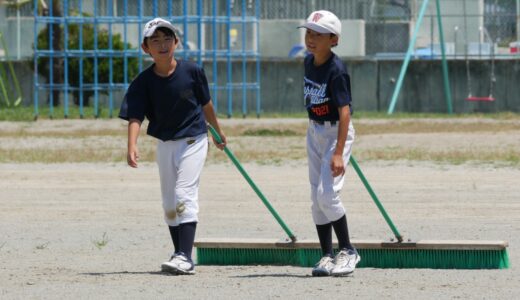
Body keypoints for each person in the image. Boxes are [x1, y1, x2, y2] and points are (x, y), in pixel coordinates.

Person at [118, 17, 226, 275]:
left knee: (184, 193)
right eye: (155, 41)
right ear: (146, 49)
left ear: (176, 42)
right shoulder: (143, 82)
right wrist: (131, 145)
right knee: (169, 203)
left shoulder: (192, 71)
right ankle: (180, 253)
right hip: (165, 144)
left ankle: (185, 257)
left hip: (193, 140)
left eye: (167, 39)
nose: (162, 44)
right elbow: (135, 116)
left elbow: (206, 104)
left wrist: (217, 133)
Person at [298, 10, 360, 276]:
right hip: (314, 132)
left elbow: (345, 112)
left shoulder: (337, 70)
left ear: (333, 39)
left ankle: (348, 249)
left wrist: (338, 152)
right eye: (309, 33)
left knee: (327, 194)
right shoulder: (308, 62)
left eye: (318, 35)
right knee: (316, 198)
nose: (311, 39)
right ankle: (326, 255)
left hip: (336, 133)